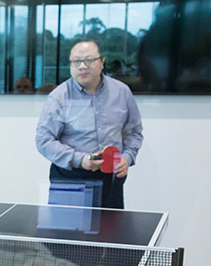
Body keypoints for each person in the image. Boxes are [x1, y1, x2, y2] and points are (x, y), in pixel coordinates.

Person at [35, 39, 143, 209]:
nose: (82, 66)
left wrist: (127, 157)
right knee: (67, 235)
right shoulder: (58, 96)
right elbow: (44, 140)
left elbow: (134, 132)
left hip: (111, 179)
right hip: (70, 179)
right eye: (76, 61)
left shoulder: (122, 92)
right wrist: (80, 159)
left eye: (89, 60)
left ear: (102, 62)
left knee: (111, 233)